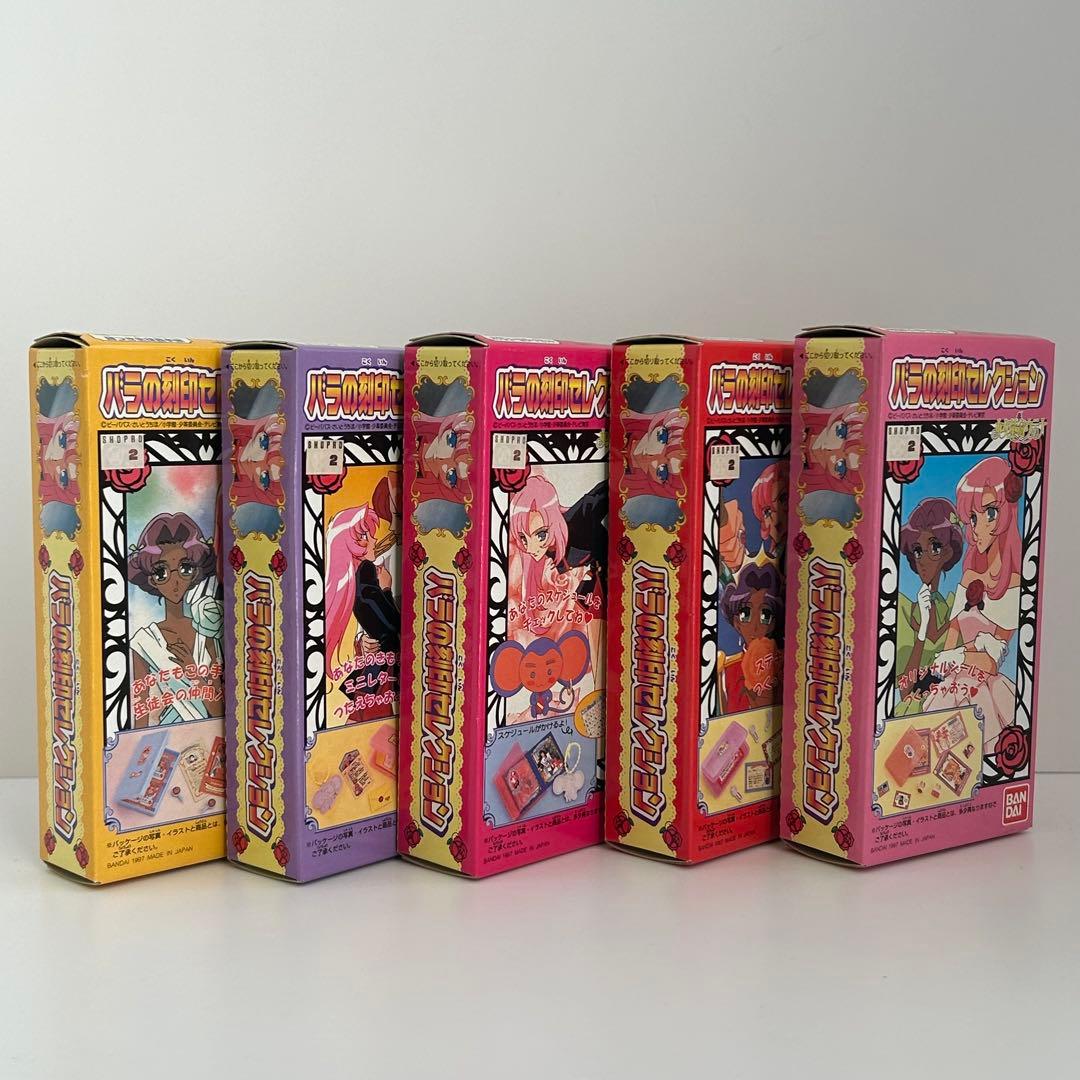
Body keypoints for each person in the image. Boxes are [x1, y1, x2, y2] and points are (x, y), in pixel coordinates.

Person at [922, 458, 1022, 749]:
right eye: (973, 518)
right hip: (953, 684)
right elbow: (952, 636)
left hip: (985, 688)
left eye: (990, 513)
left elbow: (990, 661)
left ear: (1006, 513)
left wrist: (958, 657)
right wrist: (947, 660)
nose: (978, 528)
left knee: (975, 751)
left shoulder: (1013, 583)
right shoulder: (969, 575)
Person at [127, 512, 222, 726]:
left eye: (185, 569)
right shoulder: (143, 641)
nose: (175, 581)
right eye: (162, 573)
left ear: (195, 572)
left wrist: (192, 671)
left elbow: (218, 709)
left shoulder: (206, 630)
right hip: (166, 737)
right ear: (151, 579)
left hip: (211, 736)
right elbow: (140, 715)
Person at [895, 497, 963, 715]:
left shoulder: (954, 606)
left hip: (954, 709)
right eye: (917, 550)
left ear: (948, 552)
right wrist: (922, 631)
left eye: (934, 547)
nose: (923, 559)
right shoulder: (902, 609)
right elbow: (905, 691)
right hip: (913, 716)